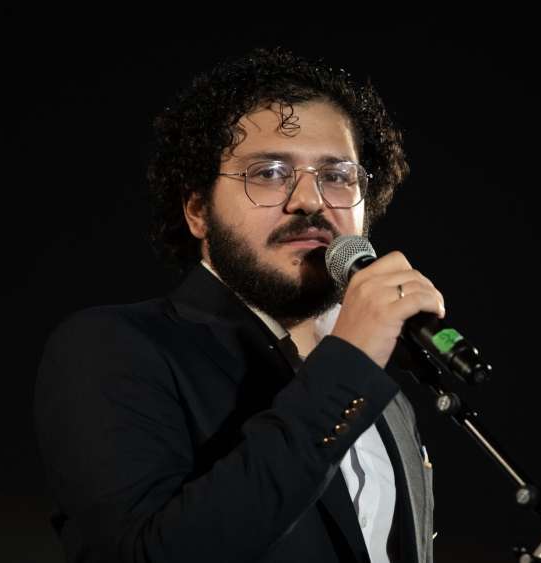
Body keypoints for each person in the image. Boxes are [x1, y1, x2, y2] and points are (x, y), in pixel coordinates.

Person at [34, 46, 443, 563]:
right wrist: (350, 365)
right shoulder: (112, 348)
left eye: (337, 175)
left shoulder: (387, 401)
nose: (310, 200)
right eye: (269, 172)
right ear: (198, 211)